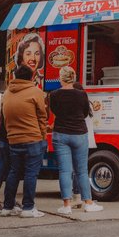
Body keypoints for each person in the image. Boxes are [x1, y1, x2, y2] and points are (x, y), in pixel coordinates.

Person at [49, 66, 102, 215]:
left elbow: (54, 111)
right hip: (79, 134)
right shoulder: (82, 95)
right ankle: (89, 203)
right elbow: (85, 113)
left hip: (60, 134)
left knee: (65, 171)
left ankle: (66, 205)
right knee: (82, 171)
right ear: (73, 77)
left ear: (61, 78)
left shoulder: (53, 95)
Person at [1, 65, 47, 218]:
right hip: (32, 138)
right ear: (31, 76)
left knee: (13, 172)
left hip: (13, 139)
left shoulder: (7, 93)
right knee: (30, 174)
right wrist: (43, 137)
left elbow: (4, 117)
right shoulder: (35, 92)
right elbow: (42, 116)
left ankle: (7, 207)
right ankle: (28, 208)